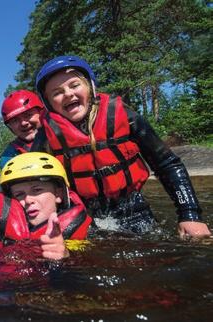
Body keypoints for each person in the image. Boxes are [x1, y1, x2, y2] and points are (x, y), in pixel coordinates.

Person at [31, 55, 211, 238]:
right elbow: (31, 185)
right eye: (57, 92)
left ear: (90, 87)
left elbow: (167, 164)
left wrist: (190, 214)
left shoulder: (123, 115)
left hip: (133, 208)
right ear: (49, 104)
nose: (68, 94)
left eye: (75, 85)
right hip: (83, 213)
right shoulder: (45, 136)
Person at [0, 152, 92, 260]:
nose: (28, 200)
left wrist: (66, 257)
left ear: (58, 194)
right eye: (19, 194)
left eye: (37, 190)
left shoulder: (85, 234)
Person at [0, 90, 44, 169]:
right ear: (10, 127)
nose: (23, 123)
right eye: (15, 120)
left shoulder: (62, 136)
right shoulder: (8, 157)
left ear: (41, 112)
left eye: (28, 115)